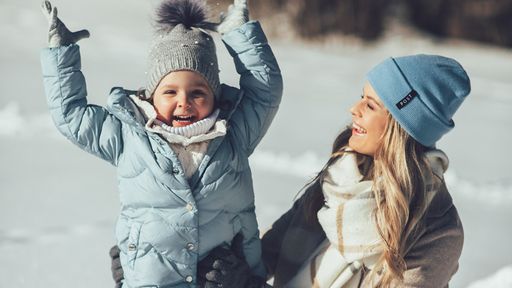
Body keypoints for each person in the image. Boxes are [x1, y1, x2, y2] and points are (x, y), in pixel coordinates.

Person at [112, 55, 468, 287]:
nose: (354, 109)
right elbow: (261, 255)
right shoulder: (340, 182)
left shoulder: (434, 229)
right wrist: (151, 264)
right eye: (361, 96)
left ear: (400, 125)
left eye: (371, 104)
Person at [40, 0, 282, 286]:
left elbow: (265, 92)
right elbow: (71, 115)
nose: (184, 102)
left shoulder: (233, 133)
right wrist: (61, 55)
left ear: (215, 95)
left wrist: (240, 33)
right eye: (170, 91)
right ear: (151, 96)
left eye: (197, 92)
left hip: (227, 278)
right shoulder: (129, 136)